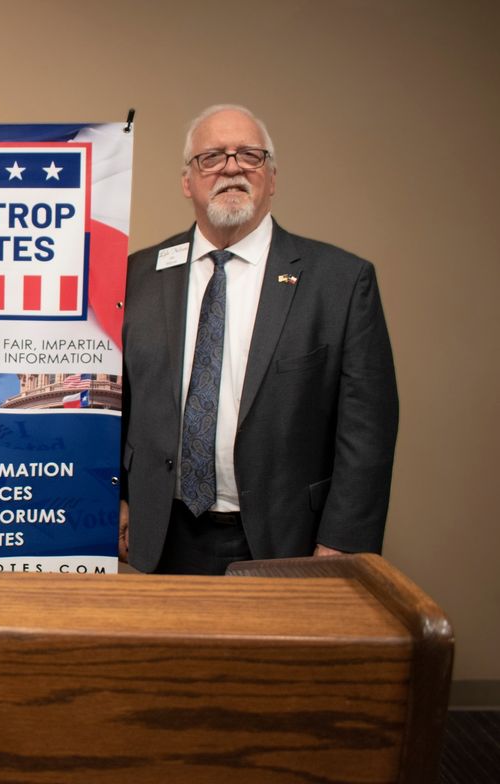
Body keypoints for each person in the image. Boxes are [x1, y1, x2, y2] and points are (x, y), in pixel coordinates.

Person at [120, 104, 398, 575]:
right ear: (188, 181)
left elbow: (367, 429)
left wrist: (343, 544)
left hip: (286, 539)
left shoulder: (341, 283)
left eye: (249, 155)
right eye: (211, 157)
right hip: (160, 534)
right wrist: (118, 500)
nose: (232, 167)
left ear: (272, 176)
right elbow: (114, 401)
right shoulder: (136, 277)